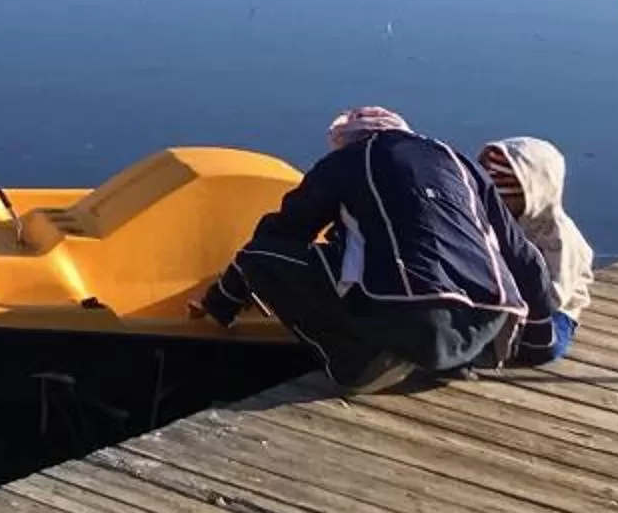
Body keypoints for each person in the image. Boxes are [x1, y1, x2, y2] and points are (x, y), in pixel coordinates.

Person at [194, 106, 555, 397]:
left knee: (259, 257)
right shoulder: (461, 165)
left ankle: (356, 363)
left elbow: (283, 233)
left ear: (348, 141)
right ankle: (449, 360)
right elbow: (527, 261)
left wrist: (221, 300)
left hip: (407, 313)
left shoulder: (349, 161)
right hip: (487, 324)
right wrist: (538, 345)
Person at [479, 136, 591, 366]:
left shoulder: (559, 237)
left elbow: (554, 297)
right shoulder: (490, 225)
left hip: (551, 310)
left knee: (546, 346)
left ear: (533, 196)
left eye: (506, 201)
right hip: (505, 302)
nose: (498, 209)